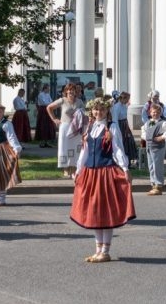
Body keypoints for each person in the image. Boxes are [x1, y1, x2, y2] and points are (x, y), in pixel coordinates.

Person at [70, 96, 136, 262]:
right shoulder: (90, 127)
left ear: (107, 112)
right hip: (91, 173)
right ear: (92, 111)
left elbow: (118, 149)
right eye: (95, 109)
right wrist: (78, 170)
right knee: (94, 212)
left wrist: (125, 168)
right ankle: (98, 249)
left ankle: (105, 251)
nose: (98, 112)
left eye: (101, 109)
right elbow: (84, 152)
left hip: (105, 172)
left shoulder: (111, 127)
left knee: (105, 212)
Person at [49, 83, 86, 179]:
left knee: (76, 148)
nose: (70, 91)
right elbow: (49, 108)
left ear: (75, 91)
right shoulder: (62, 100)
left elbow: (84, 113)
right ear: (65, 91)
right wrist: (54, 119)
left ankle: (75, 169)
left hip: (76, 128)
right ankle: (66, 170)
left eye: (72, 90)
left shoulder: (79, 101)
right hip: (65, 127)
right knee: (64, 148)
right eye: (68, 90)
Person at [141, 102, 166, 196]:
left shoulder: (162, 123)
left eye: (157, 112)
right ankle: (153, 184)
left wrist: (163, 137)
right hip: (150, 147)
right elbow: (144, 131)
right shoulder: (149, 123)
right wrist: (146, 137)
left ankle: (158, 185)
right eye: (153, 112)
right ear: (150, 113)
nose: (155, 114)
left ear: (160, 113)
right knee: (151, 166)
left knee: (157, 166)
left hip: (158, 148)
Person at [112, 91, 140, 168]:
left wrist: (127, 126)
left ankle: (129, 160)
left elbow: (125, 117)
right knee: (122, 143)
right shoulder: (116, 107)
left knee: (130, 142)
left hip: (125, 125)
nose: (128, 101)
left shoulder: (124, 106)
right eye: (127, 99)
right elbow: (115, 119)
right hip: (119, 126)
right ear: (123, 98)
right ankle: (121, 162)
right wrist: (117, 131)